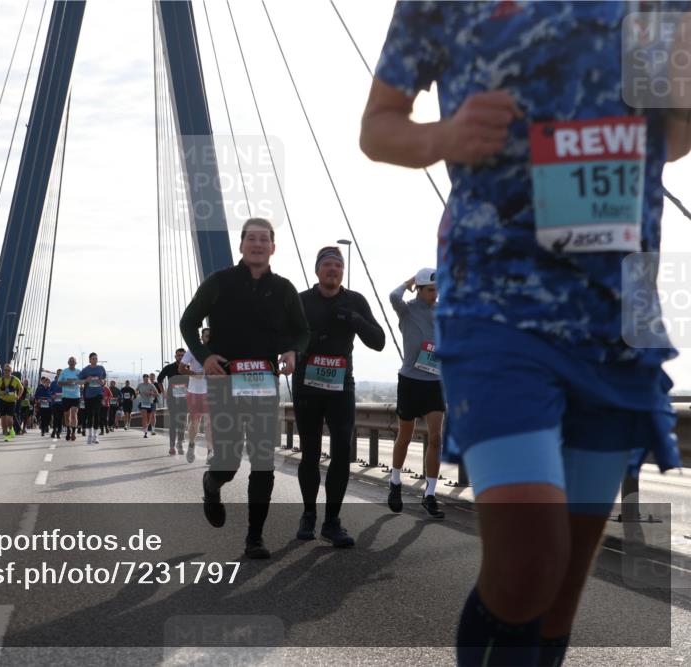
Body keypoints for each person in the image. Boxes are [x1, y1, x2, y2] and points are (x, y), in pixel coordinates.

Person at [362, 3, 690, 663]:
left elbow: (672, 137)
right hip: (497, 302)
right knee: (529, 562)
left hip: (615, 316)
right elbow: (378, 127)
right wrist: (445, 135)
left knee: (560, 591)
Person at [180, 217, 309, 559]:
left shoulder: (284, 289)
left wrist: (293, 351)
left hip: (264, 383)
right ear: (241, 245)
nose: (257, 244)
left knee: (264, 461)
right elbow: (188, 322)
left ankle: (255, 537)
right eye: (251, 238)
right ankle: (212, 485)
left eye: (264, 239)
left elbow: (302, 331)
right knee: (228, 461)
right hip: (225, 383)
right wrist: (205, 356)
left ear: (272, 247)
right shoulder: (218, 282)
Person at [293, 246, 386, 547]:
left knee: (342, 453)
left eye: (338, 265)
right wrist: (303, 344)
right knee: (309, 453)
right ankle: (309, 515)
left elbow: (379, 341)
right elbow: (282, 337)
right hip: (307, 386)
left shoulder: (355, 300)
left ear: (342, 271)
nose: (333, 269)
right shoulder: (302, 300)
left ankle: (332, 522)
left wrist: (355, 319)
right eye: (327, 265)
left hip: (341, 386)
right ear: (317, 270)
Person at [387, 269, 446, 519]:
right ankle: (395, 481)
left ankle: (429, 494)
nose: (435, 294)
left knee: (436, 438)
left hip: (435, 382)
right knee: (405, 436)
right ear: (419, 290)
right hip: (410, 381)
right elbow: (393, 296)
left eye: (437, 289)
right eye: (430, 290)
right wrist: (408, 281)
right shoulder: (407, 310)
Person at [180, 328, 214, 464]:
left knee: (209, 424)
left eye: (211, 336)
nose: (209, 339)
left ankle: (210, 453)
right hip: (194, 392)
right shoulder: (193, 350)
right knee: (195, 422)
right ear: (202, 337)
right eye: (207, 336)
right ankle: (191, 445)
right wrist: (195, 374)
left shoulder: (216, 351)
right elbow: (181, 368)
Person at [157, 348, 190, 456]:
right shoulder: (169, 367)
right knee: (173, 422)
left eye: (182, 355)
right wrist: (164, 393)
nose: (180, 357)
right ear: (175, 356)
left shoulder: (189, 368)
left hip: (185, 399)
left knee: (182, 422)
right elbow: (159, 379)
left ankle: (179, 443)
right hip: (172, 398)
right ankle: (172, 446)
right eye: (178, 355)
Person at [79, 353, 107, 444]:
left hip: (98, 394)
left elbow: (104, 380)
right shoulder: (86, 369)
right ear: (90, 360)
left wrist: (102, 382)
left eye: (96, 358)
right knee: (90, 415)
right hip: (88, 395)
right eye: (93, 358)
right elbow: (78, 381)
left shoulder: (101, 368)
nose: (95, 360)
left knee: (97, 414)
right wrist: (86, 380)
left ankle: (95, 436)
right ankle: (90, 435)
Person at [0, 365, 23, 442]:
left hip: (12, 402)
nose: (7, 372)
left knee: (9, 420)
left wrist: (18, 396)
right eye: (5, 370)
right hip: (3, 401)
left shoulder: (15, 379)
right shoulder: (0, 380)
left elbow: (21, 388)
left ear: (11, 371)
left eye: (8, 370)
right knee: (3, 419)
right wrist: (2, 392)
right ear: (3, 371)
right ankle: (6, 434)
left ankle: (11, 430)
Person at [59, 358, 82, 441]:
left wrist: (78, 382)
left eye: (73, 361)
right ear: (68, 362)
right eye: (70, 361)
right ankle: (68, 430)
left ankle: (73, 432)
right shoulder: (64, 371)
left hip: (76, 396)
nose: (72, 362)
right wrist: (67, 383)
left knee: (74, 414)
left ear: (76, 363)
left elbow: (82, 382)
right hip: (66, 396)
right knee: (66, 415)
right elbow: (59, 383)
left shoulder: (79, 372)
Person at [135, 375, 159, 439]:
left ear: (148, 379)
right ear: (143, 379)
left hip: (150, 403)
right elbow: (136, 390)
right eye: (144, 379)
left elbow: (157, 394)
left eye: (147, 379)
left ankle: (146, 427)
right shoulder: (140, 385)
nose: (146, 380)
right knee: (144, 417)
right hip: (142, 402)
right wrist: (137, 393)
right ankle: (145, 432)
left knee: (148, 419)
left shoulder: (151, 385)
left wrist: (150, 394)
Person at [50, 370, 64, 439]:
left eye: (60, 374)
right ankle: (54, 430)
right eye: (58, 374)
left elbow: (68, 391)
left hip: (62, 403)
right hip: (55, 403)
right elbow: (49, 391)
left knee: (60, 418)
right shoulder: (53, 383)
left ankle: (59, 432)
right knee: (55, 417)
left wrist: (64, 395)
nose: (59, 375)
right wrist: (52, 395)